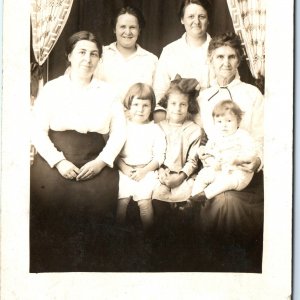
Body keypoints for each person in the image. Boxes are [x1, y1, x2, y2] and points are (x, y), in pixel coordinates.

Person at [30, 31, 127, 272]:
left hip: (94, 158)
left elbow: (119, 132)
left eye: (94, 54)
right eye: (82, 52)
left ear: (99, 59)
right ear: (70, 56)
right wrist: (58, 161)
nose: (88, 58)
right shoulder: (52, 89)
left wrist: (102, 162)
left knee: (96, 200)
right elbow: (37, 131)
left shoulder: (108, 91)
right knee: (53, 198)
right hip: (54, 158)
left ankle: (93, 270)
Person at [193, 33, 264, 270]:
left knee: (227, 202)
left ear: (239, 60)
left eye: (231, 57)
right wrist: (202, 154)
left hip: (245, 173)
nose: (226, 62)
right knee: (216, 196)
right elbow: (198, 137)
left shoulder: (252, 94)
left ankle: (233, 268)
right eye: (220, 57)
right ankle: (208, 266)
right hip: (215, 168)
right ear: (210, 60)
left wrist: (257, 160)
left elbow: (264, 136)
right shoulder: (204, 97)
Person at [116, 83, 166, 230]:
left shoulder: (155, 129)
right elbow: (114, 153)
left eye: (145, 105)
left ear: (152, 108)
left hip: (146, 171)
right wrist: (124, 168)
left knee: (145, 203)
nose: (140, 109)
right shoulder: (122, 126)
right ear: (129, 106)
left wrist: (144, 171)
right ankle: (117, 236)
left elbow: (159, 156)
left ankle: (148, 237)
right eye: (136, 104)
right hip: (125, 171)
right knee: (121, 202)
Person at [152, 74, 202, 219]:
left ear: (189, 106)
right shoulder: (159, 127)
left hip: (184, 176)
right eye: (173, 104)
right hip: (163, 175)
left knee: (185, 211)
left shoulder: (194, 130)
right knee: (158, 204)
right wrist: (161, 171)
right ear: (166, 105)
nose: (178, 108)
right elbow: (156, 154)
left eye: (183, 104)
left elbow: (193, 161)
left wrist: (180, 177)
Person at [153, 0, 212, 121]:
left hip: (214, 120)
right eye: (191, 16)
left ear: (208, 19)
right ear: (182, 19)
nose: (196, 21)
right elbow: (159, 92)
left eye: (202, 16)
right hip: (176, 123)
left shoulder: (220, 50)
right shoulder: (170, 51)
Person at [189, 100, 257, 205]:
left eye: (229, 121)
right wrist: (206, 155)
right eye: (219, 122)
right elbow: (207, 152)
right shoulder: (215, 137)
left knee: (226, 182)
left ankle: (203, 196)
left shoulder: (243, 136)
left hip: (238, 174)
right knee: (203, 174)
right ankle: (192, 201)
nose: (224, 125)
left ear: (238, 121)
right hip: (219, 171)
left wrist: (237, 160)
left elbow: (252, 152)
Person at [94, 6, 158, 102]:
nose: (127, 32)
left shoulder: (151, 60)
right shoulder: (100, 54)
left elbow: (156, 97)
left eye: (132, 27)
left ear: (139, 30)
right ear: (114, 29)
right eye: (122, 27)